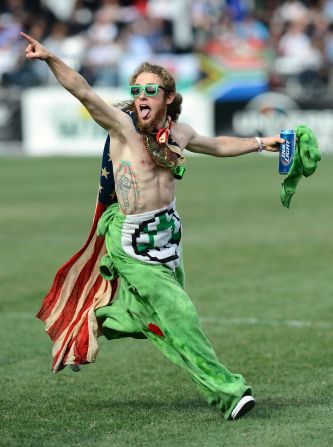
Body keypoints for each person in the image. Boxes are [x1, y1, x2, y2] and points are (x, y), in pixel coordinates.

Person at [21, 31, 283, 421]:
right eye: (136, 89)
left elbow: (218, 145)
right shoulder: (122, 128)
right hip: (129, 243)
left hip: (168, 243)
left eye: (150, 90)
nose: (141, 96)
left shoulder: (179, 133)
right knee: (179, 314)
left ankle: (94, 318)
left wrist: (263, 142)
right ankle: (228, 392)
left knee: (149, 318)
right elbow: (84, 91)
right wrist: (49, 58)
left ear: (168, 97)